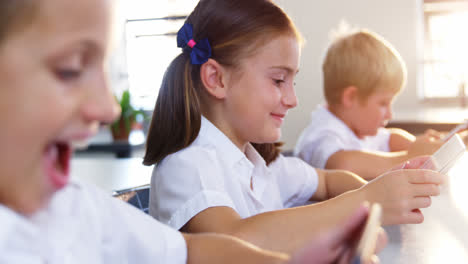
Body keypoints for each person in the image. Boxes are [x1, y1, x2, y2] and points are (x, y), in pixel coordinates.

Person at [0, 0, 384, 263]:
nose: (108, 108)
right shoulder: (189, 164)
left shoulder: (76, 206)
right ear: (215, 78)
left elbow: (189, 252)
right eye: (69, 68)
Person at [144, 0, 444, 256]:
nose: (293, 99)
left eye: (293, 81)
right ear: (216, 79)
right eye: (278, 80)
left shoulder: (264, 166)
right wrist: (367, 201)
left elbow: (326, 182)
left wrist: (381, 192)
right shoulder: (186, 165)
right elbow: (235, 242)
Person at [293, 27, 452, 180]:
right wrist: (410, 157)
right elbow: (343, 165)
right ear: (350, 97)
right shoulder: (321, 136)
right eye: (383, 103)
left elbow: (390, 138)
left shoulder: (358, 129)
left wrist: (419, 146)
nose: (390, 114)